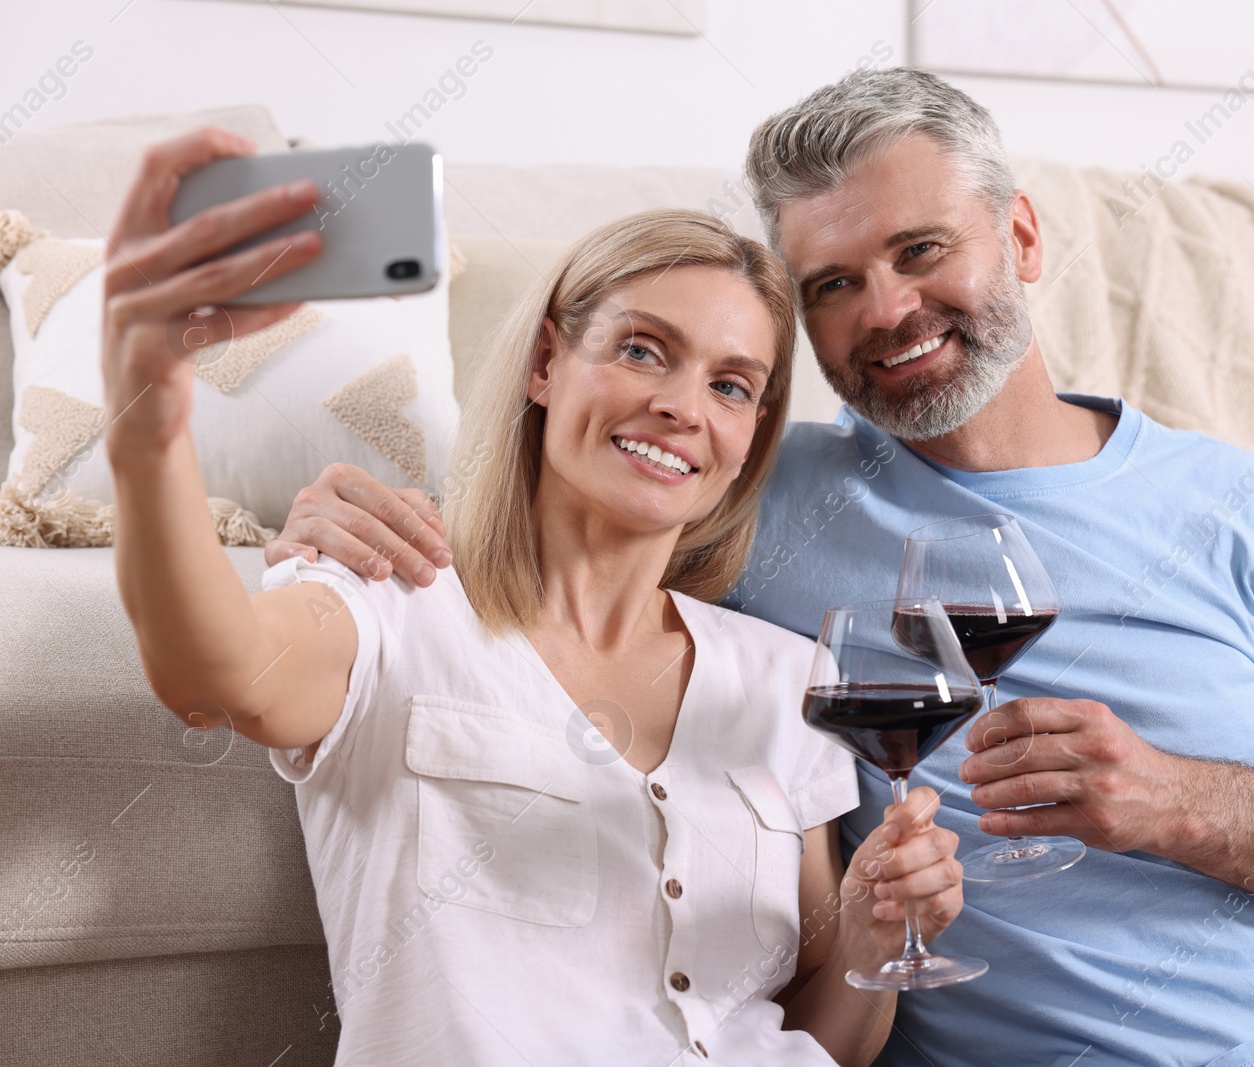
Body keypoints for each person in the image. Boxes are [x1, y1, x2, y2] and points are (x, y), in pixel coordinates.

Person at [268, 70, 1254, 1067]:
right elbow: (536, 518)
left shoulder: (1232, 501)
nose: (886, 310)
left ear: (1023, 236)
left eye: (921, 251)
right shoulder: (750, 480)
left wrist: (1168, 799)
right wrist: (324, 509)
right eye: (833, 282)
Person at [103, 127, 970, 1067]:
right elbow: (212, 672)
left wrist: (871, 944)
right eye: (643, 351)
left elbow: (819, 1034)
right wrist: (146, 421)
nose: (683, 405)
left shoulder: (786, 677)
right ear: (545, 363)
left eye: (730, 384)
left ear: (753, 435)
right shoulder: (391, 597)